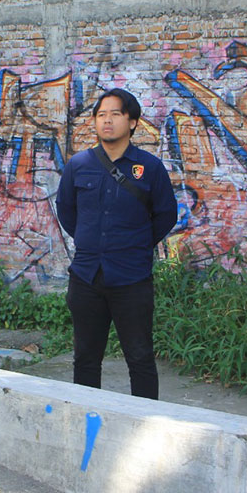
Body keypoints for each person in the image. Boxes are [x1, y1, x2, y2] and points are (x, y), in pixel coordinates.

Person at [56, 88, 177, 399]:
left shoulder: (148, 167)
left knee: (139, 358)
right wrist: (90, 241)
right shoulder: (79, 164)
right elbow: (67, 212)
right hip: (86, 276)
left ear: (132, 121)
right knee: (85, 358)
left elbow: (165, 215)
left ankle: (145, 422)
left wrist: (134, 245)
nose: (106, 121)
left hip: (132, 279)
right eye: (100, 115)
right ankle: (86, 418)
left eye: (115, 114)